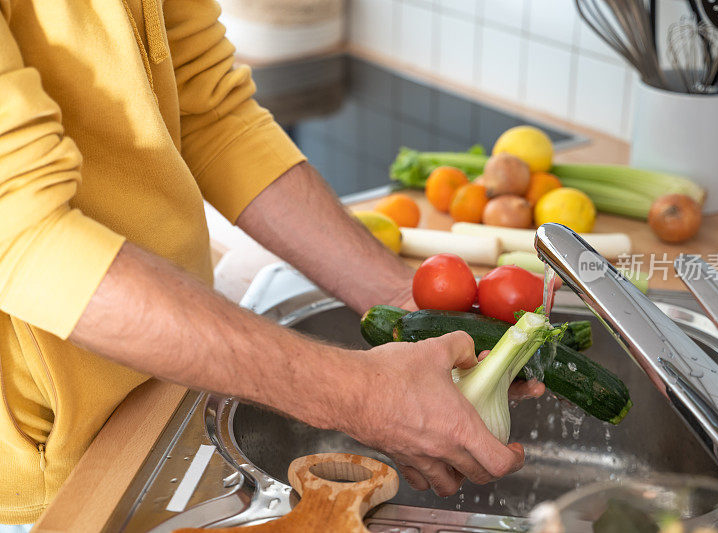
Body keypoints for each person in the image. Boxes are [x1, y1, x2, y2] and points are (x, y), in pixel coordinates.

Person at [0, 0, 544, 526]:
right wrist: (360, 393)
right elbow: (27, 237)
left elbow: (211, 109)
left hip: (171, 371)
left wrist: (405, 306)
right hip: (50, 460)